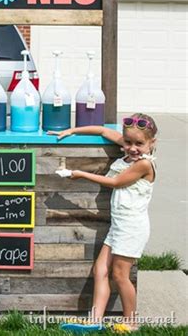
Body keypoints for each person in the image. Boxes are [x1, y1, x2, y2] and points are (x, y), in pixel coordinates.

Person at [49, 114, 157, 332]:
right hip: (119, 226)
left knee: (120, 275)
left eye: (139, 143)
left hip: (132, 227)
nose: (132, 148)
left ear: (151, 143)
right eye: (128, 142)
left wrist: (80, 174)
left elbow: (116, 182)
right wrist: (72, 131)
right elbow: (102, 131)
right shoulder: (129, 150)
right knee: (100, 270)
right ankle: (95, 320)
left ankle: (131, 322)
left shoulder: (144, 164)